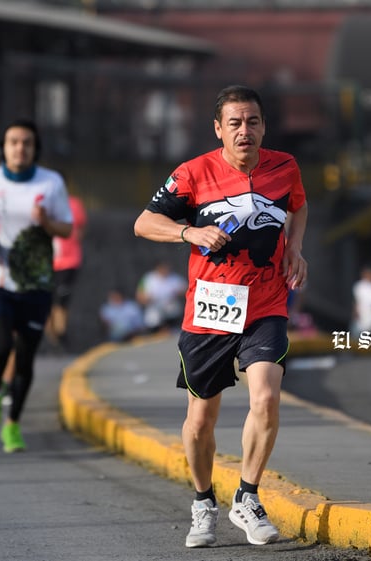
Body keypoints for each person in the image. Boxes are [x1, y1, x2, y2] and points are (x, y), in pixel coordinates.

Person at [133, 84, 308, 548]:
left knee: (266, 397)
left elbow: (298, 205)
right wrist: (190, 232)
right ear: (218, 129)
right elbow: (144, 223)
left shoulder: (284, 166)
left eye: (252, 122)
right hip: (211, 308)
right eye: (235, 123)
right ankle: (203, 502)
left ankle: (247, 497)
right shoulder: (193, 173)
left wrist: (295, 248)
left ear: (263, 127)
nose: (244, 131)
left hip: (266, 304)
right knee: (199, 420)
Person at [0, 118, 73, 453]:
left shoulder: (51, 183)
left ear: (35, 148)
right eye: (13, 142)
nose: (19, 148)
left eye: (26, 142)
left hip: (36, 282)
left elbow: (66, 229)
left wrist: (46, 222)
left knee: (25, 357)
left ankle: (13, 425)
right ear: (3, 147)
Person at [46, 191, 87, 350]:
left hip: (69, 261)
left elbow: (82, 227)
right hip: (48, 261)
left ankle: (61, 333)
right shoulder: (44, 203)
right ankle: (52, 334)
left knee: (62, 299)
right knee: (46, 300)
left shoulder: (74, 204)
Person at [135, 260, 187, 333]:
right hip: (155, 313)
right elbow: (139, 295)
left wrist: (177, 293)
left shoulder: (174, 278)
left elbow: (185, 288)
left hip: (172, 312)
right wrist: (147, 299)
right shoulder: (148, 278)